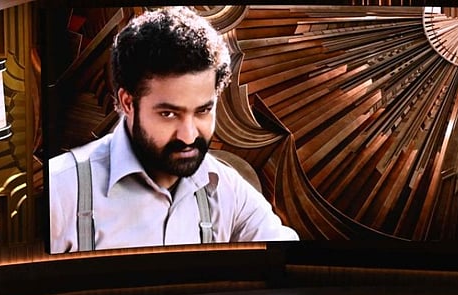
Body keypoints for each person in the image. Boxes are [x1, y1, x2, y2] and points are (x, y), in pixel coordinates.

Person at [48, 7, 299, 253]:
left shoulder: (226, 189)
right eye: (168, 114)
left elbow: (286, 263)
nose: (188, 135)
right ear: (127, 103)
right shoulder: (61, 191)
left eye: (202, 111)